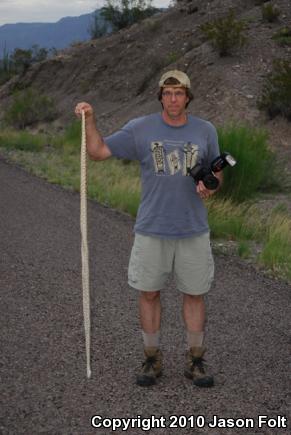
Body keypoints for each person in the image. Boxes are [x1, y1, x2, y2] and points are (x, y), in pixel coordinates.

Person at [75, 70, 223, 388]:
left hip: (193, 229)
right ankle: (152, 358)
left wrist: (212, 184)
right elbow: (98, 152)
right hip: (151, 228)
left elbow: (216, 170)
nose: (173, 99)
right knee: (149, 293)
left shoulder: (205, 130)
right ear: (160, 96)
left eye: (179, 93)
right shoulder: (139, 128)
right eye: (167, 93)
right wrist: (90, 119)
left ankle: (195, 361)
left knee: (195, 294)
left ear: (188, 97)